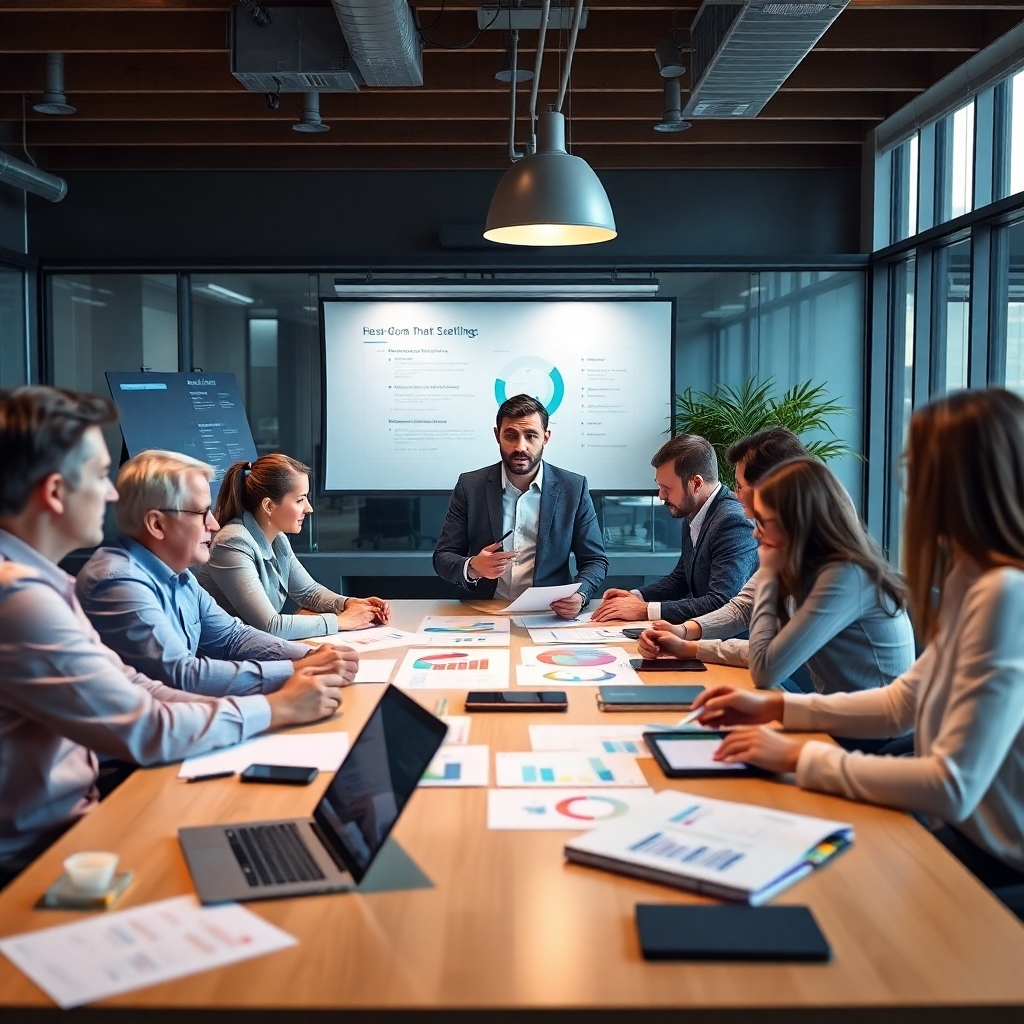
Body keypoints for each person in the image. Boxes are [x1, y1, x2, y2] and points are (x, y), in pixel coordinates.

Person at [0, 387, 353, 887]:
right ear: (56, 492)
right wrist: (278, 706)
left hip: (77, 816)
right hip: (40, 853)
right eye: (101, 476)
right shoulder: (23, 599)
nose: (110, 493)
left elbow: (146, 683)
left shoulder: (48, 585)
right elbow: (150, 719)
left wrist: (302, 664)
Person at [691, 388, 1024, 899]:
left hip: (989, 857)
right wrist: (775, 705)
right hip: (953, 826)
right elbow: (904, 701)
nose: (910, 486)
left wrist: (798, 757)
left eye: (919, 470)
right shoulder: (969, 578)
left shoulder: (1005, 592)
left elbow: (951, 787)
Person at [76, 449, 355, 698]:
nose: (212, 523)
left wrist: (314, 656)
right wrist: (296, 669)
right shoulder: (120, 584)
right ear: (157, 524)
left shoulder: (180, 576)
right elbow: (181, 676)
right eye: (200, 513)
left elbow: (233, 637)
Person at [640, 457, 915, 694]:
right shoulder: (816, 565)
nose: (756, 533)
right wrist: (687, 647)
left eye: (765, 523)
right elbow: (761, 641)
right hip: (838, 714)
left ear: (797, 523)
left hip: (868, 735)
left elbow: (765, 668)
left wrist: (770, 574)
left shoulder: (843, 578)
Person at [433, 394, 608, 618]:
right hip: (483, 612)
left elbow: (594, 560)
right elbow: (443, 557)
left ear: (546, 437)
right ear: (497, 435)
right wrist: (474, 567)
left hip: (548, 614)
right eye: (511, 436)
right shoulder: (470, 486)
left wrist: (580, 595)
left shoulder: (573, 488)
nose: (520, 447)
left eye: (531, 436)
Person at [638, 427, 809, 654]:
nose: (736, 496)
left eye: (740, 487)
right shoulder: (789, 543)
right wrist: (684, 634)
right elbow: (742, 608)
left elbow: (772, 659)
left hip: (809, 685)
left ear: (774, 490)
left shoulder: (824, 553)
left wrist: (684, 642)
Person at [194, 454, 390, 640]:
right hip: (227, 658)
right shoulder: (232, 543)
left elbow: (309, 592)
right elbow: (270, 626)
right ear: (269, 506)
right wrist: (341, 621)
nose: (309, 508)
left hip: (253, 648)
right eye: (300, 500)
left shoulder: (278, 538)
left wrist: (350, 603)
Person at [592, 433, 757, 623]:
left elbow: (722, 602)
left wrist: (645, 610)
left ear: (696, 484)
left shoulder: (732, 521)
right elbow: (682, 579)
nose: (661, 496)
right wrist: (636, 597)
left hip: (733, 645)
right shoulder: (695, 511)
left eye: (667, 488)